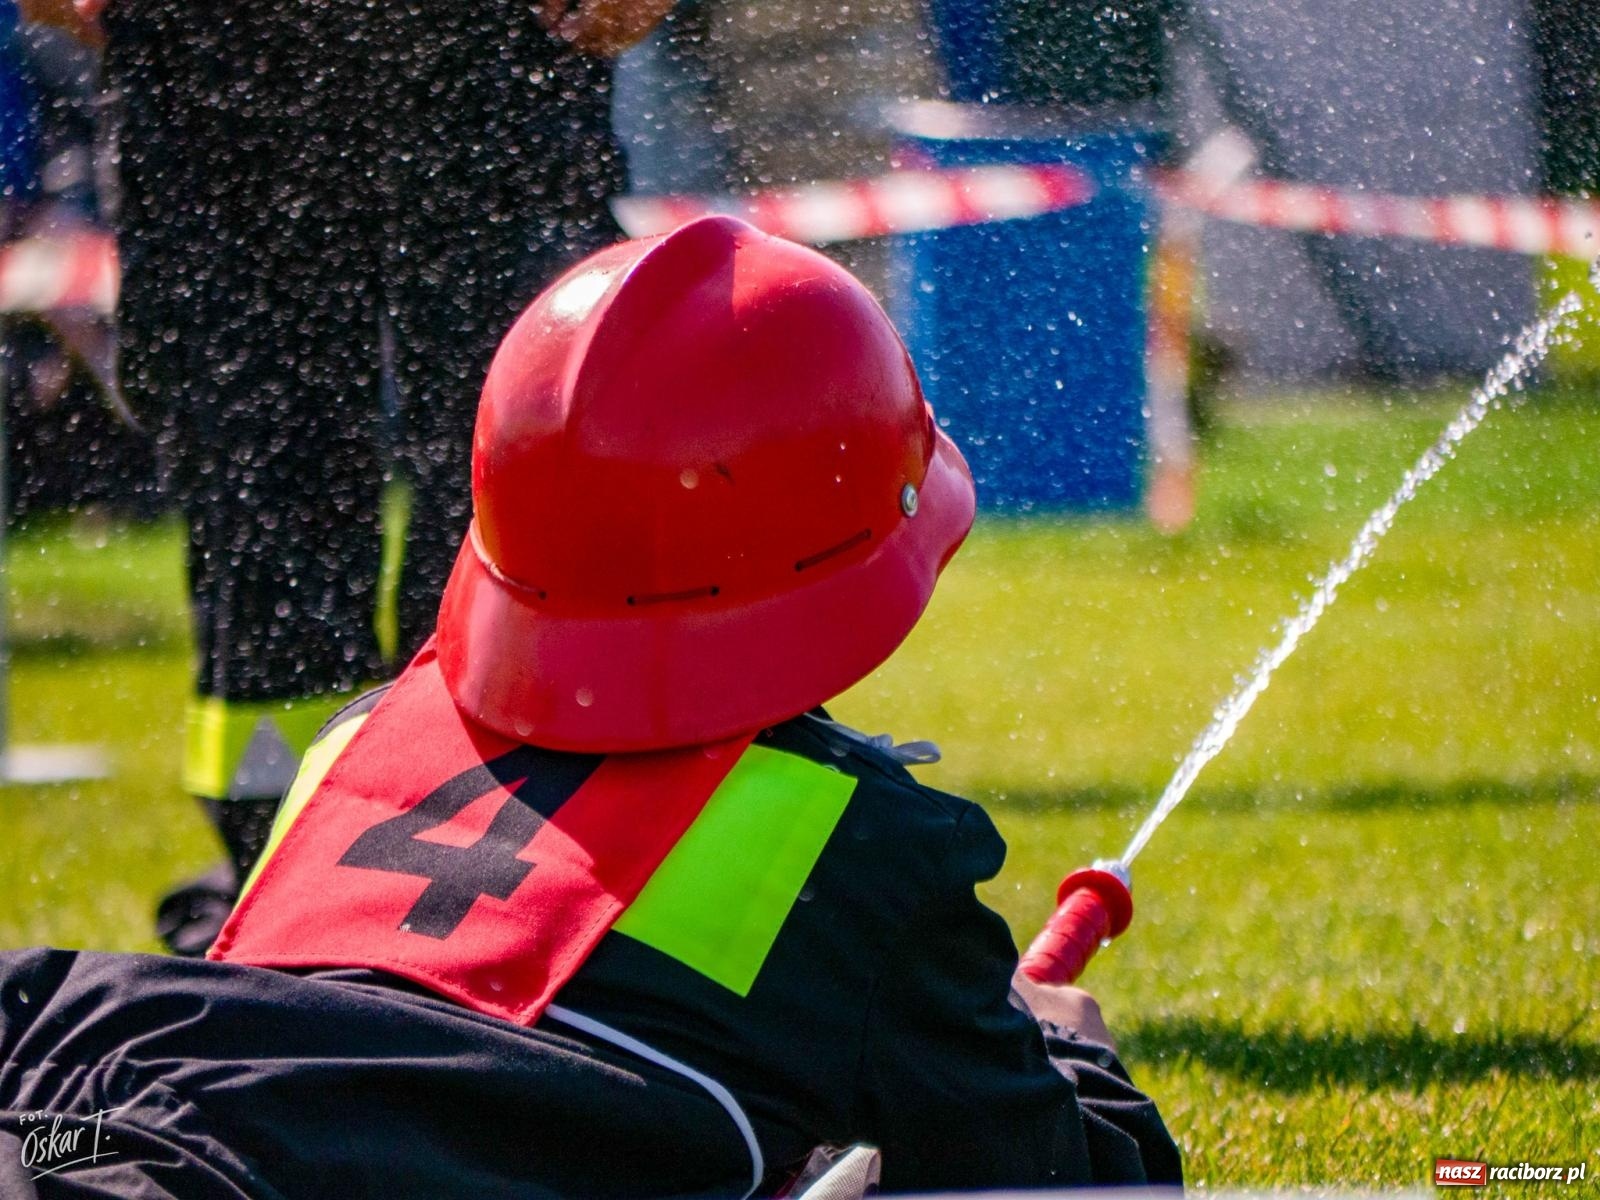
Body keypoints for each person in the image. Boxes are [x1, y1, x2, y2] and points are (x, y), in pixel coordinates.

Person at [0, 217, 1181, 1197]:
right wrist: (1065, 1042)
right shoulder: (862, 853)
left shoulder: (370, 730)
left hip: (90, 1094)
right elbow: (1061, 1181)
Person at [70, 0, 671, 953]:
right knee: (258, 486)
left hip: (494, 47)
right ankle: (283, 896)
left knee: (519, 457)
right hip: (210, 55)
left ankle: (512, 876)